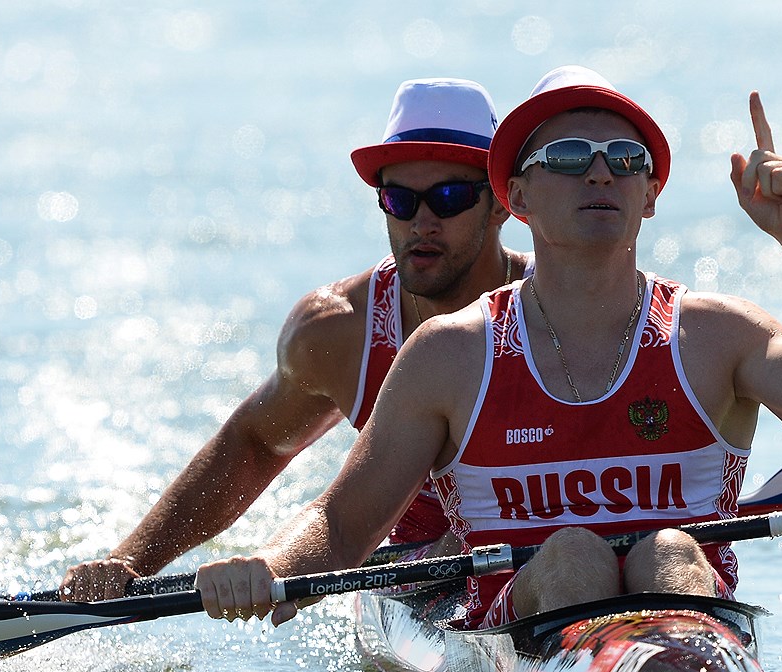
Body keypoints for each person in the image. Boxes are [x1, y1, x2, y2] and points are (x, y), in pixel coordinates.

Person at [194, 66, 782, 628]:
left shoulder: (715, 335)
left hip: (688, 629)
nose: (600, 171)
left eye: (624, 158)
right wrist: (269, 567)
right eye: (571, 156)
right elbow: (343, 523)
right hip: (509, 628)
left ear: (650, 194)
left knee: (671, 551)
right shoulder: (450, 356)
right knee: (573, 555)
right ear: (517, 197)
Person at [61, 77, 530, 601]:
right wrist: (130, 562)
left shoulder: (567, 309)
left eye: (449, 196)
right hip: (419, 581)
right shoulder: (339, 330)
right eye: (399, 199)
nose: (421, 222)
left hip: (548, 563)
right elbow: (255, 446)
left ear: (502, 203)